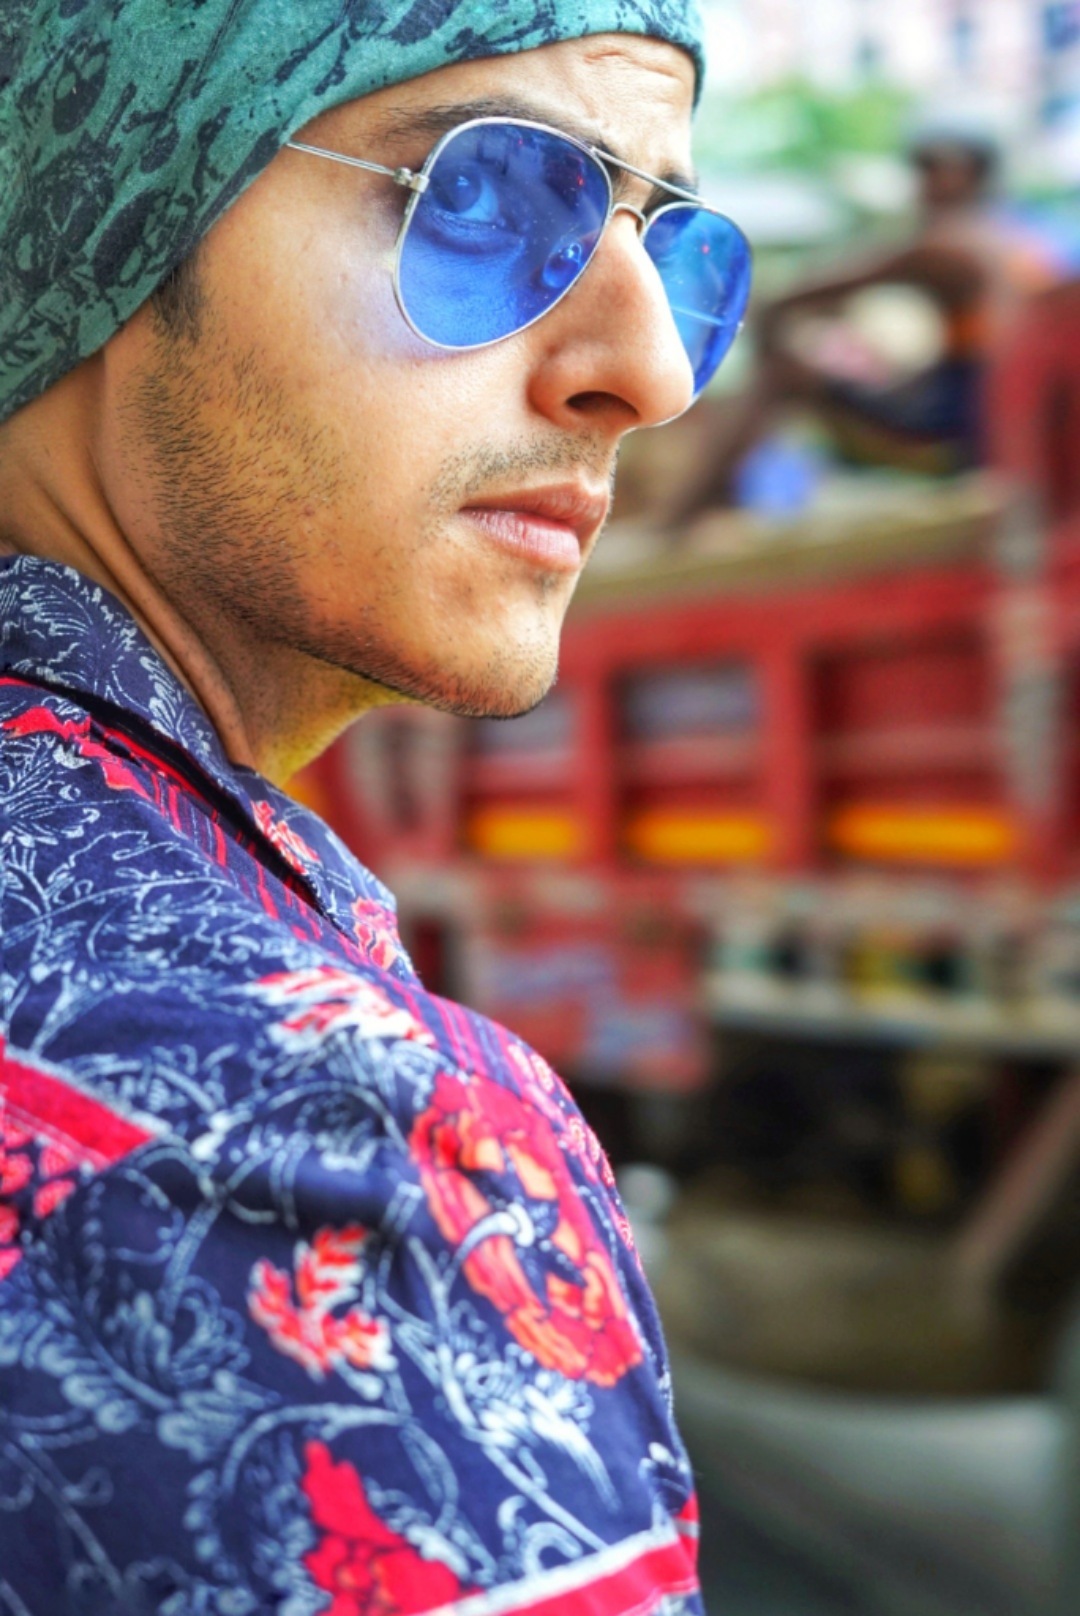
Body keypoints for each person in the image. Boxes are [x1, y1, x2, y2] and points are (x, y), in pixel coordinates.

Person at [0, 3, 752, 1611]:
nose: (652, 374)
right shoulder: (306, 1143)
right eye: (482, 195)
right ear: (108, 213)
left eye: (677, 247)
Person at [672, 115, 1061, 521]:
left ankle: (687, 518)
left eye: (936, 169)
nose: (923, 183)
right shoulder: (1017, 240)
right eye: (920, 168)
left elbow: (794, 298)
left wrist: (768, 326)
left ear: (975, 175)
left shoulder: (949, 245)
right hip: (997, 421)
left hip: (964, 434)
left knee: (784, 374)